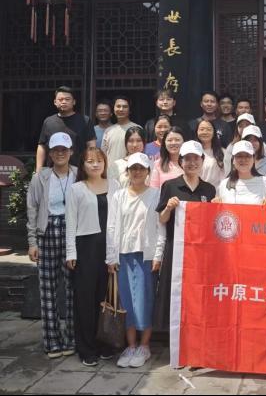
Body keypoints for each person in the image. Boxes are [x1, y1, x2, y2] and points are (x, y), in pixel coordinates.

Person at [106, 152, 164, 368]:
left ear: (148, 171)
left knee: (145, 301)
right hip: (123, 255)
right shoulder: (118, 196)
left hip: (146, 256)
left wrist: (158, 254)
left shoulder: (156, 194)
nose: (137, 172)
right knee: (127, 301)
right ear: (127, 172)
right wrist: (111, 256)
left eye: (141, 168)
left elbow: (161, 227)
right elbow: (111, 226)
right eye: (133, 169)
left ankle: (144, 345)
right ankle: (130, 346)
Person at [154, 141, 216, 332]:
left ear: (202, 160)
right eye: (187, 159)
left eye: (196, 158)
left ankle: (196, 335)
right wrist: (168, 208)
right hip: (176, 249)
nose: (192, 163)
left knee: (196, 293)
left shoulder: (209, 189)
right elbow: (162, 219)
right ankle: (175, 339)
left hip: (200, 252)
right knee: (175, 293)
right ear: (180, 161)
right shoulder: (170, 186)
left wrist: (216, 207)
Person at [27, 132, 77, 359]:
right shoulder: (41, 177)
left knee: (72, 288)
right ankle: (52, 340)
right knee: (47, 290)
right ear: (50, 153)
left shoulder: (78, 174)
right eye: (56, 150)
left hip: (72, 234)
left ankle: (71, 338)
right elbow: (32, 209)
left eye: (64, 149)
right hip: (47, 233)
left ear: (71, 151)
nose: (60, 153)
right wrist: (32, 242)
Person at [65, 147, 112, 366]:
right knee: (85, 299)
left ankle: (105, 343)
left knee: (104, 298)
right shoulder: (76, 189)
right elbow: (70, 222)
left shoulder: (115, 185)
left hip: (109, 248)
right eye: (90, 161)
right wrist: (70, 252)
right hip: (85, 248)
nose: (95, 164)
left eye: (99, 160)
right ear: (82, 165)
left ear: (105, 163)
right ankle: (86, 348)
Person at [37, 86, 96, 171]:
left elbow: (91, 146)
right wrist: (38, 170)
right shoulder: (48, 122)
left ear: (74, 102)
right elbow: (42, 146)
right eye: (60, 99)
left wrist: (90, 167)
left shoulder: (85, 120)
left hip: (78, 170)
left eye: (67, 99)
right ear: (55, 102)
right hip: (52, 171)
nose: (64, 102)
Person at [215, 141, 266, 205]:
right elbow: (218, 209)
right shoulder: (224, 184)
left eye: (248, 156)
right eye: (239, 156)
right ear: (233, 160)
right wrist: (215, 204)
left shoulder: (265, 182)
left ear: (253, 159)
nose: (243, 160)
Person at [101, 96, 140, 164]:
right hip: (111, 169)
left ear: (130, 110)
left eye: (125, 107)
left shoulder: (137, 129)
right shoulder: (108, 131)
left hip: (130, 169)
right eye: (118, 106)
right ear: (113, 109)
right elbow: (103, 155)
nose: (121, 109)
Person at [108, 127, 147, 193]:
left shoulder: (151, 164)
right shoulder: (116, 165)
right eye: (131, 141)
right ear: (125, 143)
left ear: (144, 142)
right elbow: (112, 191)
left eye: (138, 141)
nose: (135, 145)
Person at [242, 125, 266, 192]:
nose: (252, 143)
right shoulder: (238, 163)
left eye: (255, 140)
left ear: (260, 143)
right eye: (249, 140)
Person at [195, 118, 226, 190]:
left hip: (217, 193)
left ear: (214, 132)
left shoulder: (223, 152)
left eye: (209, 129)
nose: (205, 132)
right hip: (195, 192)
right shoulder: (191, 152)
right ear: (196, 131)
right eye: (202, 129)